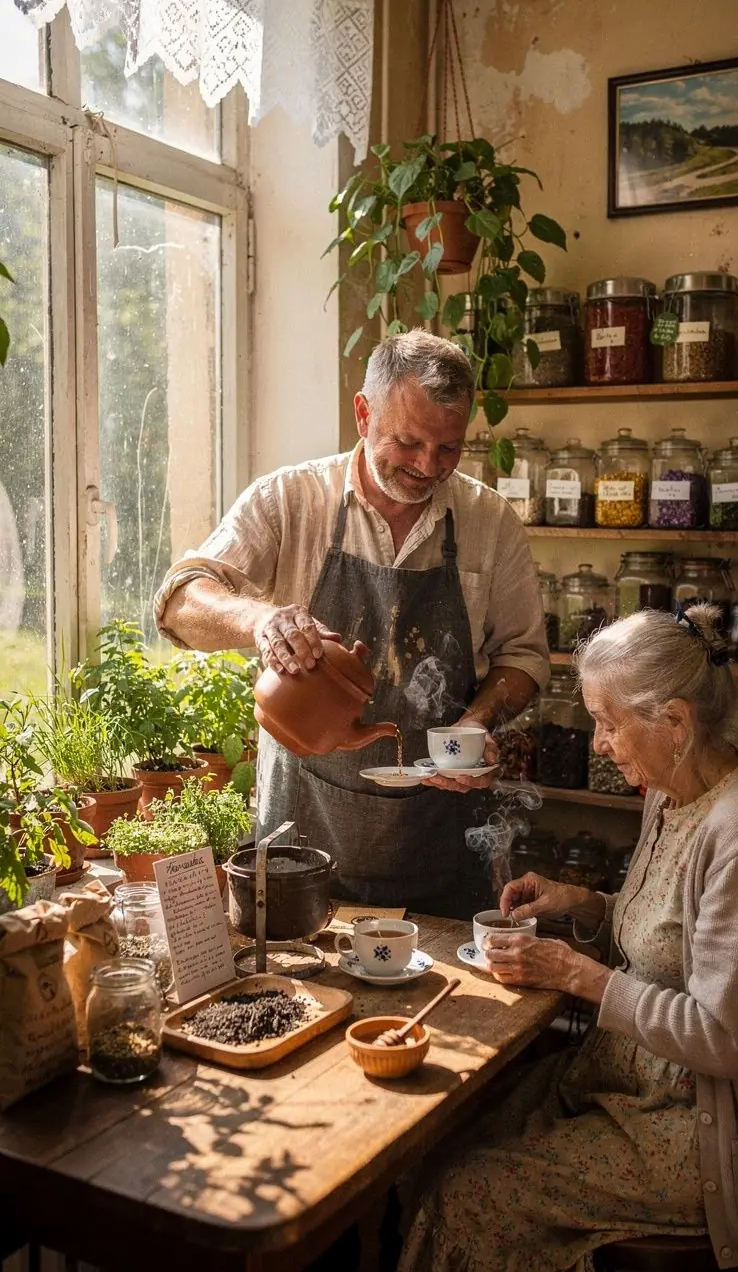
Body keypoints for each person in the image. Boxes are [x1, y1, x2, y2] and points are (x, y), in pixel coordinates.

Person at [395, 603, 738, 1272]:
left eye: (610, 723)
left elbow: (724, 1037)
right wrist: (582, 902)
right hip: (631, 1084)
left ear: (678, 722)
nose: (599, 743)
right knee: (448, 1132)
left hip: (709, 1132)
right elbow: (675, 930)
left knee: (474, 1193)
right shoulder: (674, 789)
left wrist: (578, 976)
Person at [155, 329, 549, 916]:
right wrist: (261, 619)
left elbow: (524, 656)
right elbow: (180, 602)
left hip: (440, 844)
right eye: (409, 442)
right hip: (303, 829)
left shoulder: (488, 521)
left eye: (448, 449)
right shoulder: (292, 500)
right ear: (363, 414)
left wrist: (478, 720)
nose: (427, 467)